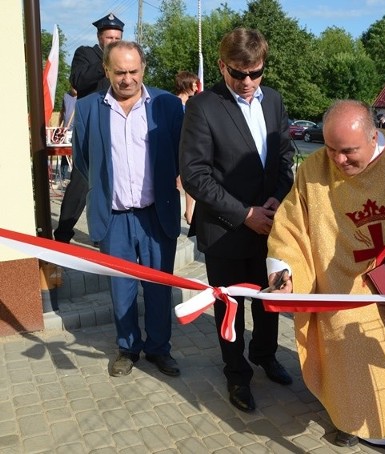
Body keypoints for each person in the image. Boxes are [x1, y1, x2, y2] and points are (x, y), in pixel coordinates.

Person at [266, 99, 385, 448]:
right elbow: (291, 228)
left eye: (348, 151)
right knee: (345, 365)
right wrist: (285, 273)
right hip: (340, 288)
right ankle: (347, 419)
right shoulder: (314, 170)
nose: (338, 160)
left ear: (374, 134)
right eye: (331, 148)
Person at [179, 27, 295, 414]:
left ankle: (265, 355)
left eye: (255, 73)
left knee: (268, 300)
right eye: (237, 73)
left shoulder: (274, 101)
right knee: (230, 306)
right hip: (227, 229)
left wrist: (276, 200)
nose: (247, 82)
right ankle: (236, 372)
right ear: (221, 65)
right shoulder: (203, 106)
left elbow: (284, 158)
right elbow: (195, 174)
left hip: (270, 225)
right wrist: (245, 214)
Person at [72, 40, 184, 378]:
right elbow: (83, 160)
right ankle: (127, 348)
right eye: (119, 72)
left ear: (143, 69)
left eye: (133, 71)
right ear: (106, 71)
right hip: (115, 217)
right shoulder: (90, 107)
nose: (127, 79)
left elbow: (181, 152)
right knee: (121, 288)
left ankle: (159, 349)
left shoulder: (166, 104)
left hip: (155, 213)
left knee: (158, 287)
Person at [54, 13, 124, 243]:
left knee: (115, 180)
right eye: (109, 37)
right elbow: (78, 81)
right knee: (82, 180)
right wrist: (105, 63)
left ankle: (106, 234)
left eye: (117, 37)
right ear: (100, 38)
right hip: (92, 126)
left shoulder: (125, 60)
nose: (114, 41)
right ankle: (63, 234)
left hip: (118, 126)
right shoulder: (85, 54)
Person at [173, 70, 199, 224]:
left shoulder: (192, 104)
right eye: (194, 84)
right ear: (186, 84)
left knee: (189, 180)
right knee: (177, 182)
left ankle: (189, 212)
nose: (196, 87)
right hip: (175, 146)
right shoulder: (174, 103)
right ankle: (175, 210)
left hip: (187, 147)